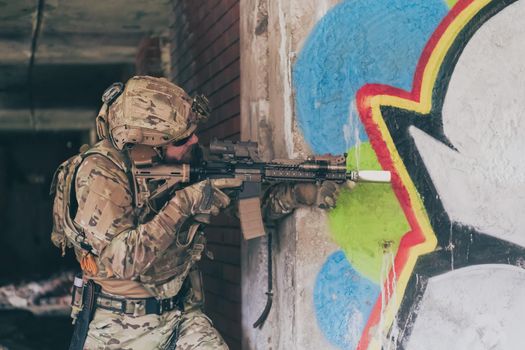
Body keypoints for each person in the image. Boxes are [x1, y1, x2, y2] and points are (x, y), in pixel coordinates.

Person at [50, 76, 346, 349]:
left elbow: (251, 212)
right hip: (118, 329)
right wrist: (186, 204)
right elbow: (123, 260)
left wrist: (300, 193)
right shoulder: (100, 173)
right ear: (145, 146)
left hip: (181, 317)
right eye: (180, 140)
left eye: (192, 133)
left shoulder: (189, 164)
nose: (194, 141)